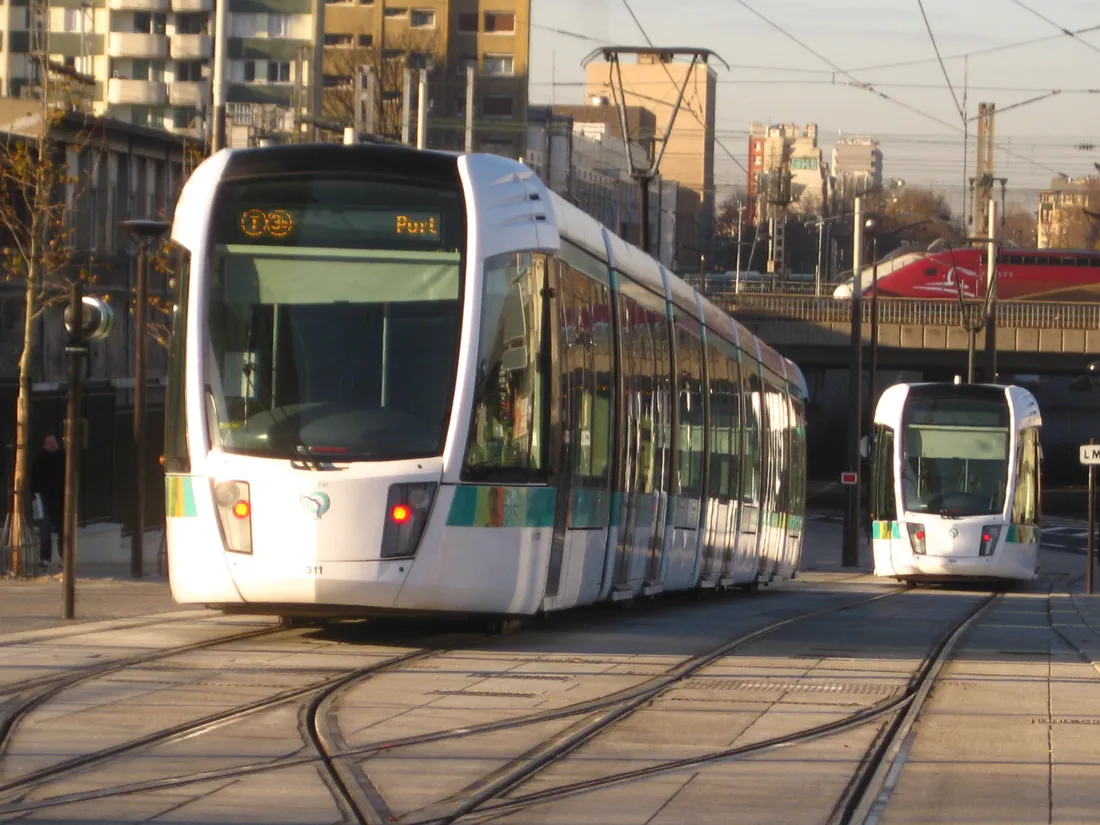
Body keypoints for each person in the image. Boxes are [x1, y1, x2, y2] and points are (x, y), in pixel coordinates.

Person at [30, 434, 65, 569]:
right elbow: (34, 479)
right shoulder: (40, 459)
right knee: (45, 531)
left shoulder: (62, 457)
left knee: (63, 531)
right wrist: (36, 495)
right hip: (45, 500)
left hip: (61, 501)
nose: (52, 445)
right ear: (44, 445)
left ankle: (64, 558)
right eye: (49, 443)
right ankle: (44, 558)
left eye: (54, 443)